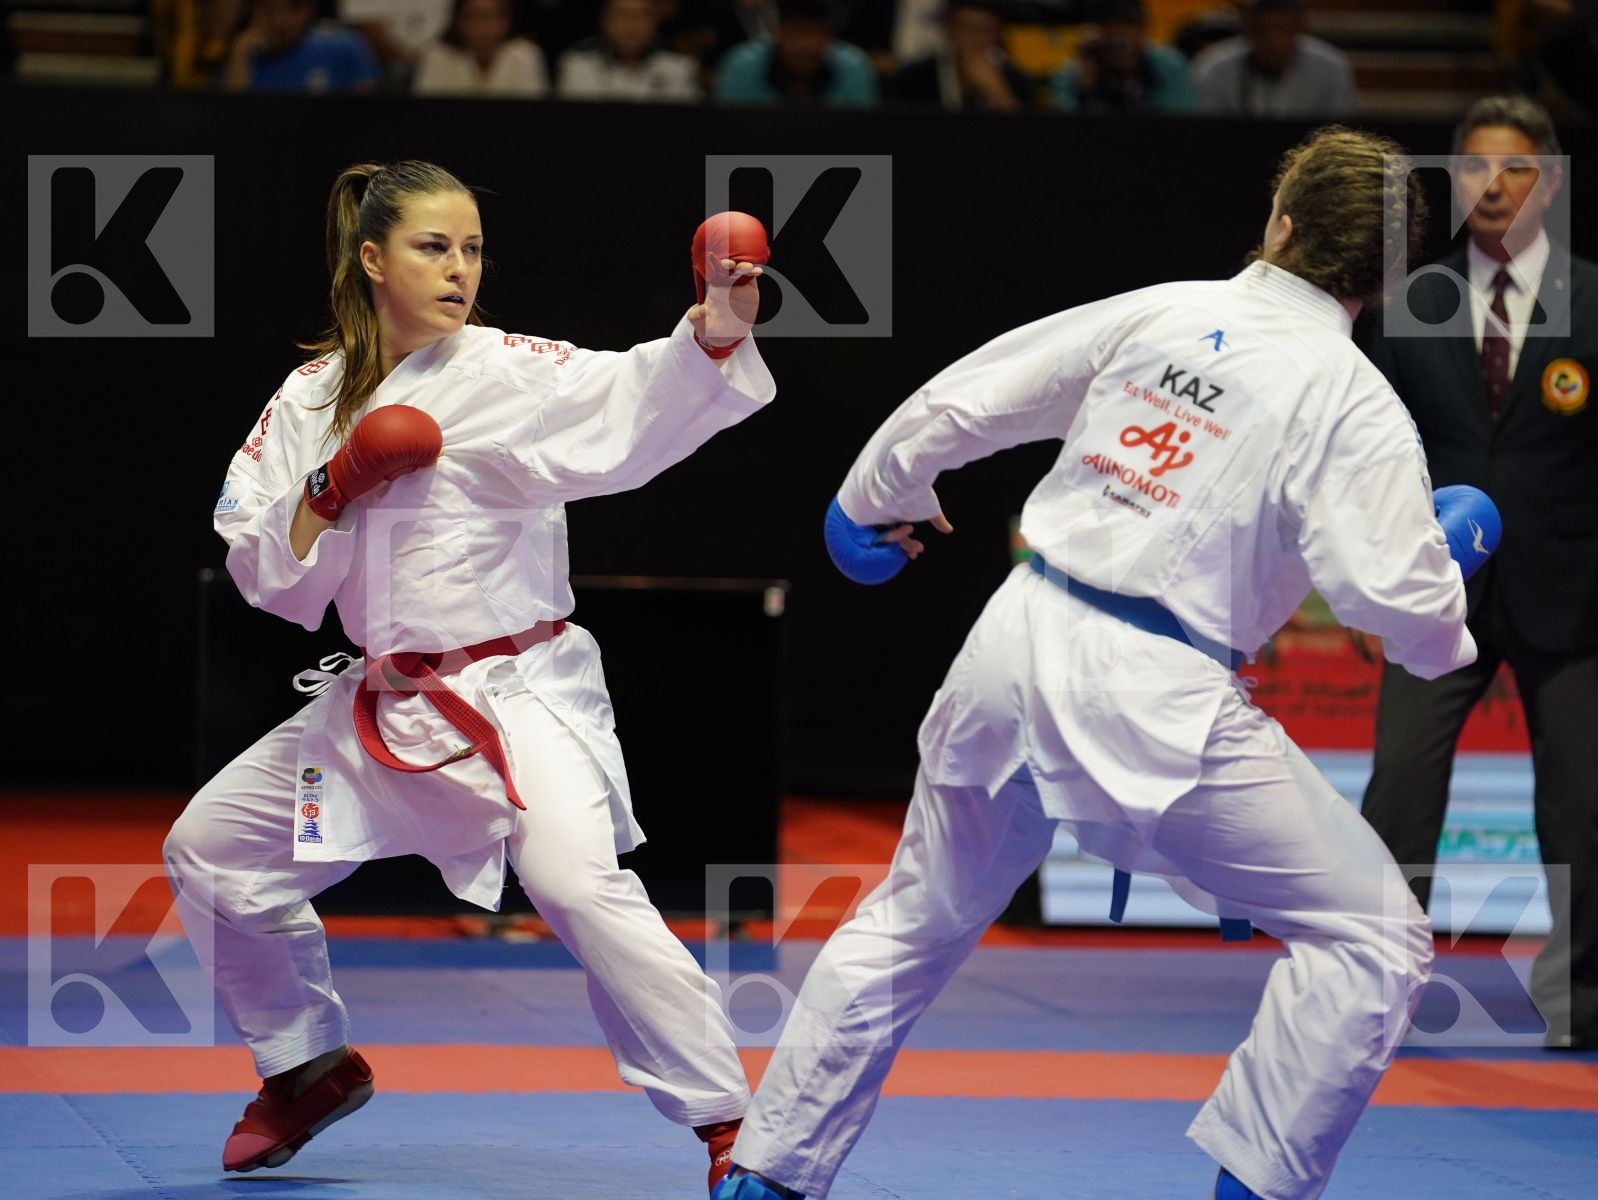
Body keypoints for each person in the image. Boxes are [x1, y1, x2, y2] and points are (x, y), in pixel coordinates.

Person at [714, 126, 1499, 1200]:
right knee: (1372, 937)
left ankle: (764, 1177)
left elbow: (967, 398)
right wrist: (1446, 564)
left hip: (1014, 639)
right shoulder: (1351, 402)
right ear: (1391, 279)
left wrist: (870, 501)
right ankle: (1254, 1188)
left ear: (1277, 223)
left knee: (908, 919)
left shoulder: (1160, 311)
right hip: (1154, 696)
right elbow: (1398, 619)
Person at [162, 163, 774, 1192]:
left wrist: (714, 325)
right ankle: (306, 1068)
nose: (458, 269)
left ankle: (733, 1126)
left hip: (515, 695)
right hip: (381, 705)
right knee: (213, 854)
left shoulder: (506, 370)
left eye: (472, 248)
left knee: (578, 885)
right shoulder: (309, 399)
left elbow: (630, 401)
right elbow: (260, 571)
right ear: (372, 260)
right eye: (433, 247)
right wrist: (333, 482)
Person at [1357, 95, 1598, 1052]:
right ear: (1451, 183)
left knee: (1584, 810)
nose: (1492, 187)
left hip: (1573, 595)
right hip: (1433, 590)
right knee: (1397, 795)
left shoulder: (1595, 297)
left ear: (1551, 183)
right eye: (1472, 170)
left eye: (1514, 169)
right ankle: (1368, 992)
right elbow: (1368, 454)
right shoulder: (1408, 306)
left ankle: (1578, 1001)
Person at [1190, 0, 1357, 117]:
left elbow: (1341, 129)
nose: (1273, 41)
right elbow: (1205, 131)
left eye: (1283, 29)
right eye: (1262, 30)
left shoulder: (1331, 67)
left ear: (1300, 26)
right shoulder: (1214, 66)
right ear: (1248, 26)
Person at [714, 0, 878, 106]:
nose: (804, 45)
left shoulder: (855, 68)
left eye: (814, 32)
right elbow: (725, 138)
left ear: (830, 34)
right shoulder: (741, 67)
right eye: (797, 31)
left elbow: (864, 141)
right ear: (778, 31)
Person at [890, 1, 1040, 112]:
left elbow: (1030, 140)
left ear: (998, 35)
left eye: (984, 30)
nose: (974, 39)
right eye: (966, 29)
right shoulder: (915, 77)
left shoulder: (1015, 79)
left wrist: (999, 93)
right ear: (948, 29)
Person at [1051, 0, 1197, 113]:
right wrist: (1086, 89)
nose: (1119, 33)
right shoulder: (1072, 74)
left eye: (1128, 22)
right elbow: (1067, 133)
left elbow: (1182, 124)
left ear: (1143, 28)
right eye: (1109, 23)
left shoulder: (1168, 66)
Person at [220, 0, 380, 93]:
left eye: (289, 11)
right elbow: (232, 122)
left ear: (306, 10)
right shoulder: (244, 56)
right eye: (269, 12)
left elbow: (370, 112)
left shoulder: (344, 46)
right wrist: (239, 55)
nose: (278, 22)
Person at [556, 0, 701, 102]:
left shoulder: (681, 70)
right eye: (622, 14)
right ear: (605, 20)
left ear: (655, 21)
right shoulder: (577, 66)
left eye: (641, 15)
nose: (632, 24)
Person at [413, 0, 549, 97]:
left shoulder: (526, 55)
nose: (485, 26)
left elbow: (534, 116)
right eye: (475, 15)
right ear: (459, 19)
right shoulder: (437, 56)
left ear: (508, 19)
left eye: (494, 16)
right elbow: (427, 114)